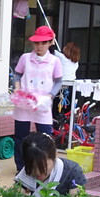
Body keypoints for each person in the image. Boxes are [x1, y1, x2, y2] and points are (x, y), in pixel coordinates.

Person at [12, 25, 63, 172]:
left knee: (45, 138)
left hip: (42, 103)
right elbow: (18, 74)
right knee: (21, 137)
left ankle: (44, 168)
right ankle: (22, 167)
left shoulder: (55, 61)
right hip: (24, 102)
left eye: (43, 43)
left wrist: (50, 95)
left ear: (49, 43)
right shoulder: (25, 58)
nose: (39, 46)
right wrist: (17, 87)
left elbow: (59, 80)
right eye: (37, 43)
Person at [15, 132, 86, 197]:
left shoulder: (73, 171)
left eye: (44, 166)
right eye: (33, 168)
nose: (38, 172)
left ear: (55, 155)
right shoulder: (28, 169)